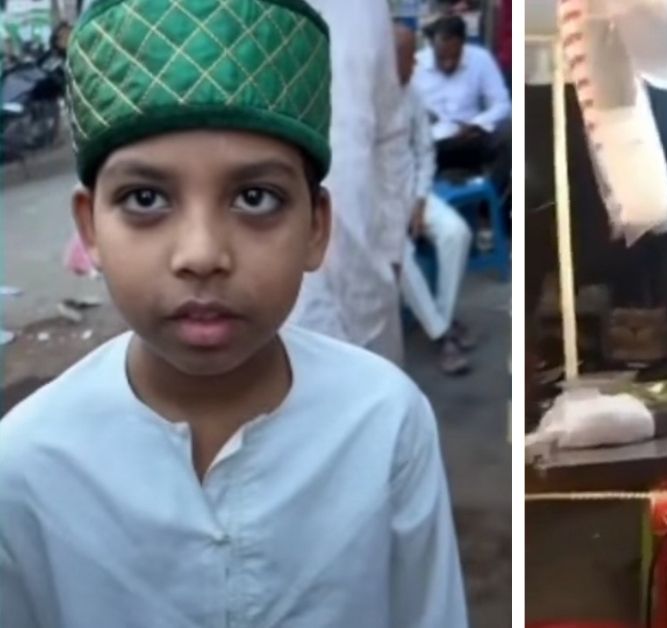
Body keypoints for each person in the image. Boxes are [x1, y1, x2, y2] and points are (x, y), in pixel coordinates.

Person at [0, 1, 468, 626]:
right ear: (89, 231)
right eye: (146, 198)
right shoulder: (26, 466)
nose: (202, 255)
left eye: (255, 197)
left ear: (315, 227)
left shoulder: (386, 423)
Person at [287, 0, 414, 365]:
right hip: (272, 292)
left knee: (377, 408)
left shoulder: (366, 8)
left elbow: (390, 132)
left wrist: (391, 248)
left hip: (366, 271)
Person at [392, 22, 475, 375]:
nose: (415, 65)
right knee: (398, 256)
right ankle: (442, 335)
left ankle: (442, 314)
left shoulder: (411, 94)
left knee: (457, 232)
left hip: (414, 192)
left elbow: (425, 153)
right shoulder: (358, 96)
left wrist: (420, 200)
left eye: (413, 56)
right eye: (407, 58)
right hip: (376, 205)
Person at [413, 15, 510, 173]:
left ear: (463, 45)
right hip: (431, 144)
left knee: (509, 133)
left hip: (470, 140)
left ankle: (498, 192)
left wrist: (477, 123)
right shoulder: (415, 65)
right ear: (431, 45)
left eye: (454, 57)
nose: (448, 64)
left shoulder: (480, 59)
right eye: (442, 58)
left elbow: (502, 104)